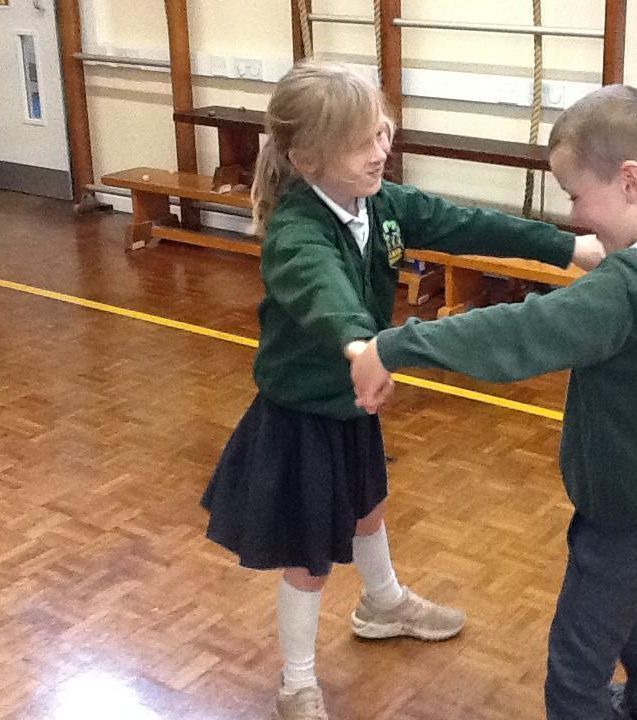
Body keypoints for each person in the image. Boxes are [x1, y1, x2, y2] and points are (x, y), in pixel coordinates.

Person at [200, 59, 605, 720]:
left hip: (351, 403)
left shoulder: (382, 205)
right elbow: (322, 289)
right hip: (301, 415)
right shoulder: (298, 230)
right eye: (361, 143)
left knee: (369, 508)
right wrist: (362, 347)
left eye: (382, 133)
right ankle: (297, 682)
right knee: (309, 560)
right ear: (307, 160)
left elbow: (467, 224)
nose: (379, 151)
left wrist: (567, 248)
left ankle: (383, 603)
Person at [348, 84, 637, 720]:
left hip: (625, 518)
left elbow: (523, 333)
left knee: (575, 675)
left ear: (630, 181)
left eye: (577, 196)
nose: (576, 216)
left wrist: (395, 345)